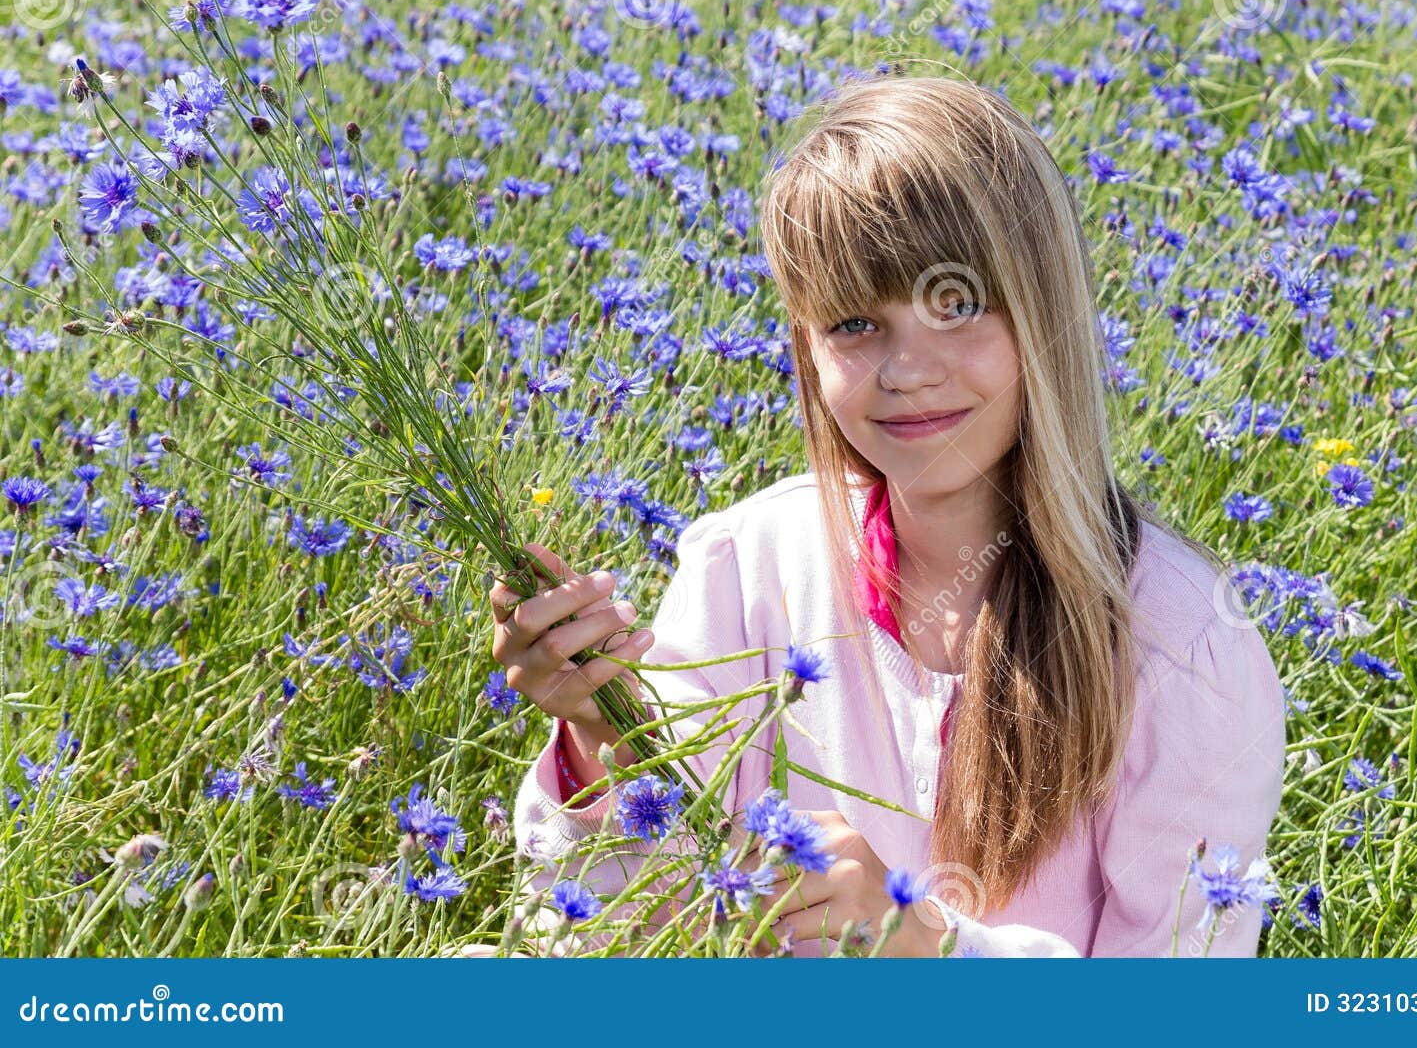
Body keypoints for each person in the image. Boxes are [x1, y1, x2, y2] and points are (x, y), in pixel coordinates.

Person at [485, 71, 1286, 958]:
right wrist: (602, 736)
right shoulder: (747, 567)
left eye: (957, 306)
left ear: (1045, 316)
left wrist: (916, 942)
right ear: (805, 343)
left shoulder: (1183, 645)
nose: (905, 370)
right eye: (856, 322)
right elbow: (592, 940)